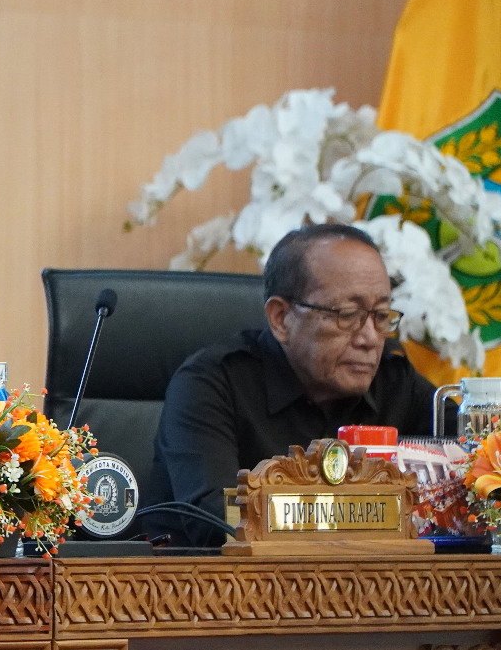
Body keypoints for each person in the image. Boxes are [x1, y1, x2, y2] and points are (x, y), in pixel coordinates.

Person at [149, 223, 436, 546]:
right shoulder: (211, 384)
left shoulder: (394, 379)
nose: (370, 338)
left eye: (381, 316)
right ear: (281, 318)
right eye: (348, 314)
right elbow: (220, 519)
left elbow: (483, 464)